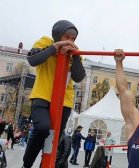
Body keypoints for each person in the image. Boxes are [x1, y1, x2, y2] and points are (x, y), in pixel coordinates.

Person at [22, 20, 86, 168]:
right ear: (58, 35)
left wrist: (75, 55)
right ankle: (26, 165)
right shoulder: (45, 42)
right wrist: (54, 48)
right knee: (43, 128)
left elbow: (78, 77)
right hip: (42, 96)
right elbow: (32, 59)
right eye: (67, 37)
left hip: (65, 101)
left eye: (73, 39)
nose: (70, 41)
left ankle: (45, 165)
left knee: (54, 136)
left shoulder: (76, 53)